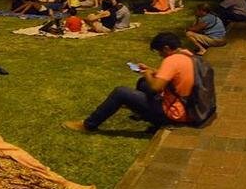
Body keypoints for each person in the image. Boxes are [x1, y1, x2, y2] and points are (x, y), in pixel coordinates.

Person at [63, 32, 196, 132]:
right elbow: (174, 76)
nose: (160, 55)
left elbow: (156, 87)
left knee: (121, 92)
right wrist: (152, 70)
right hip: (189, 106)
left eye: (160, 52)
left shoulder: (171, 61)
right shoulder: (187, 55)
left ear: (166, 48)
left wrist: (148, 73)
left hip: (174, 114)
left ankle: (88, 125)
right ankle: (144, 112)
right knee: (143, 83)